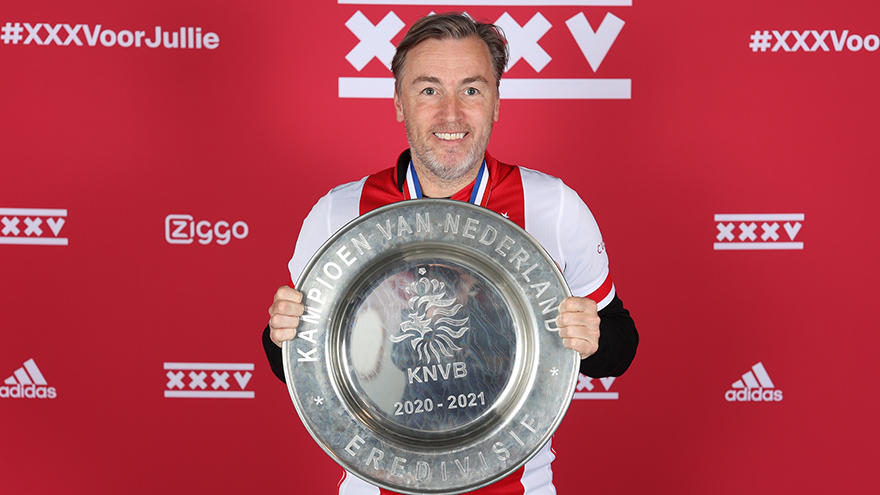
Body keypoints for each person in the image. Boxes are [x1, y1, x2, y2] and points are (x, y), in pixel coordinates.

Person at [263, 12, 638, 495]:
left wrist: (594, 339)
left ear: (496, 102)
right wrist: (282, 336)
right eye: (428, 90)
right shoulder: (339, 214)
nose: (451, 114)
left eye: (471, 90)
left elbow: (619, 346)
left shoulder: (554, 206)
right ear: (399, 103)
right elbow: (295, 365)